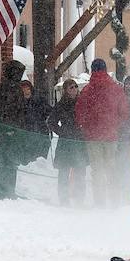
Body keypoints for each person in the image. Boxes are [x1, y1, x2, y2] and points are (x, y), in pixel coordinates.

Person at [75, 59, 128, 207]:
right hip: (111, 136)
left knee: (97, 170)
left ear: (92, 70)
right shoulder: (116, 89)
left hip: (92, 137)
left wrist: (86, 127)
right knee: (111, 169)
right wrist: (114, 126)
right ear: (105, 69)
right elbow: (124, 112)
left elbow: (79, 113)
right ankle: (114, 201)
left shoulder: (86, 90)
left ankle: (100, 202)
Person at [0, 59, 30, 197]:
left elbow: (20, 112)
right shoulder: (5, 88)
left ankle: (9, 189)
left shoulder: (13, 88)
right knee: (8, 160)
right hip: (6, 130)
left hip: (13, 130)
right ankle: (6, 189)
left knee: (10, 161)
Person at [47, 78, 87, 206]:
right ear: (65, 90)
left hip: (80, 141)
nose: (74, 89)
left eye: (75, 86)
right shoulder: (61, 104)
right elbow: (51, 122)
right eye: (71, 87)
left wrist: (85, 131)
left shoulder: (82, 103)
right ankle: (63, 199)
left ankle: (80, 199)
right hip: (65, 143)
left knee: (80, 171)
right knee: (64, 171)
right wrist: (62, 132)